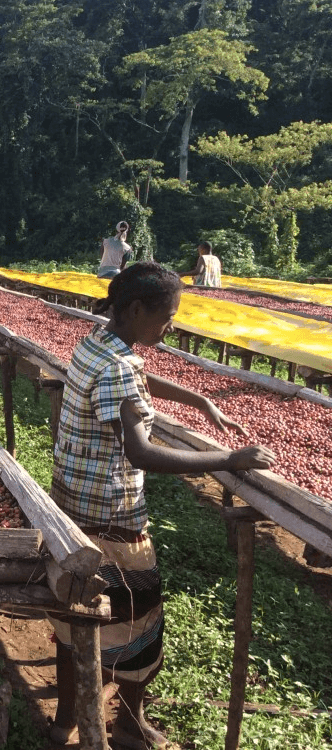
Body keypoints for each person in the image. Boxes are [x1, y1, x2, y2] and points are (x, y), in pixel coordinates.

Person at [48, 261, 275, 750]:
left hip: (71, 504)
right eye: (167, 316)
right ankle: (129, 725)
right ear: (135, 309)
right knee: (139, 625)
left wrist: (200, 401)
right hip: (112, 519)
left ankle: (64, 719)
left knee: (72, 619)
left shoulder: (98, 340)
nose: (170, 325)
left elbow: (138, 378)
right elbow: (140, 451)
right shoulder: (117, 367)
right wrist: (229, 458)